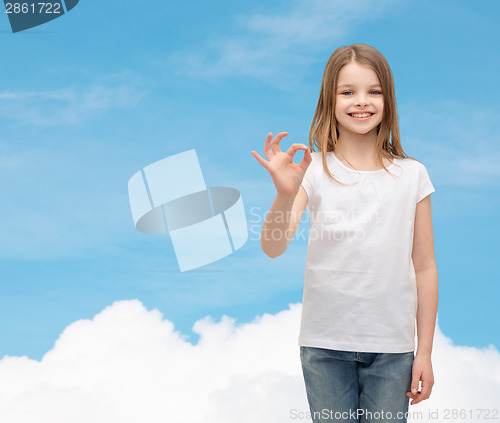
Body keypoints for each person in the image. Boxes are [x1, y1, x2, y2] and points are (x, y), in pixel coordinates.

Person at [250, 44, 438, 423]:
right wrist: (284, 195)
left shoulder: (412, 174)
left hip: (392, 348)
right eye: (347, 92)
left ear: (387, 98)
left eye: (373, 91)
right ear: (330, 100)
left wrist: (425, 352)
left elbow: (424, 268)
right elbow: (273, 246)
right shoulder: (313, 169)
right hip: (325, 345)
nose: (361, 102)